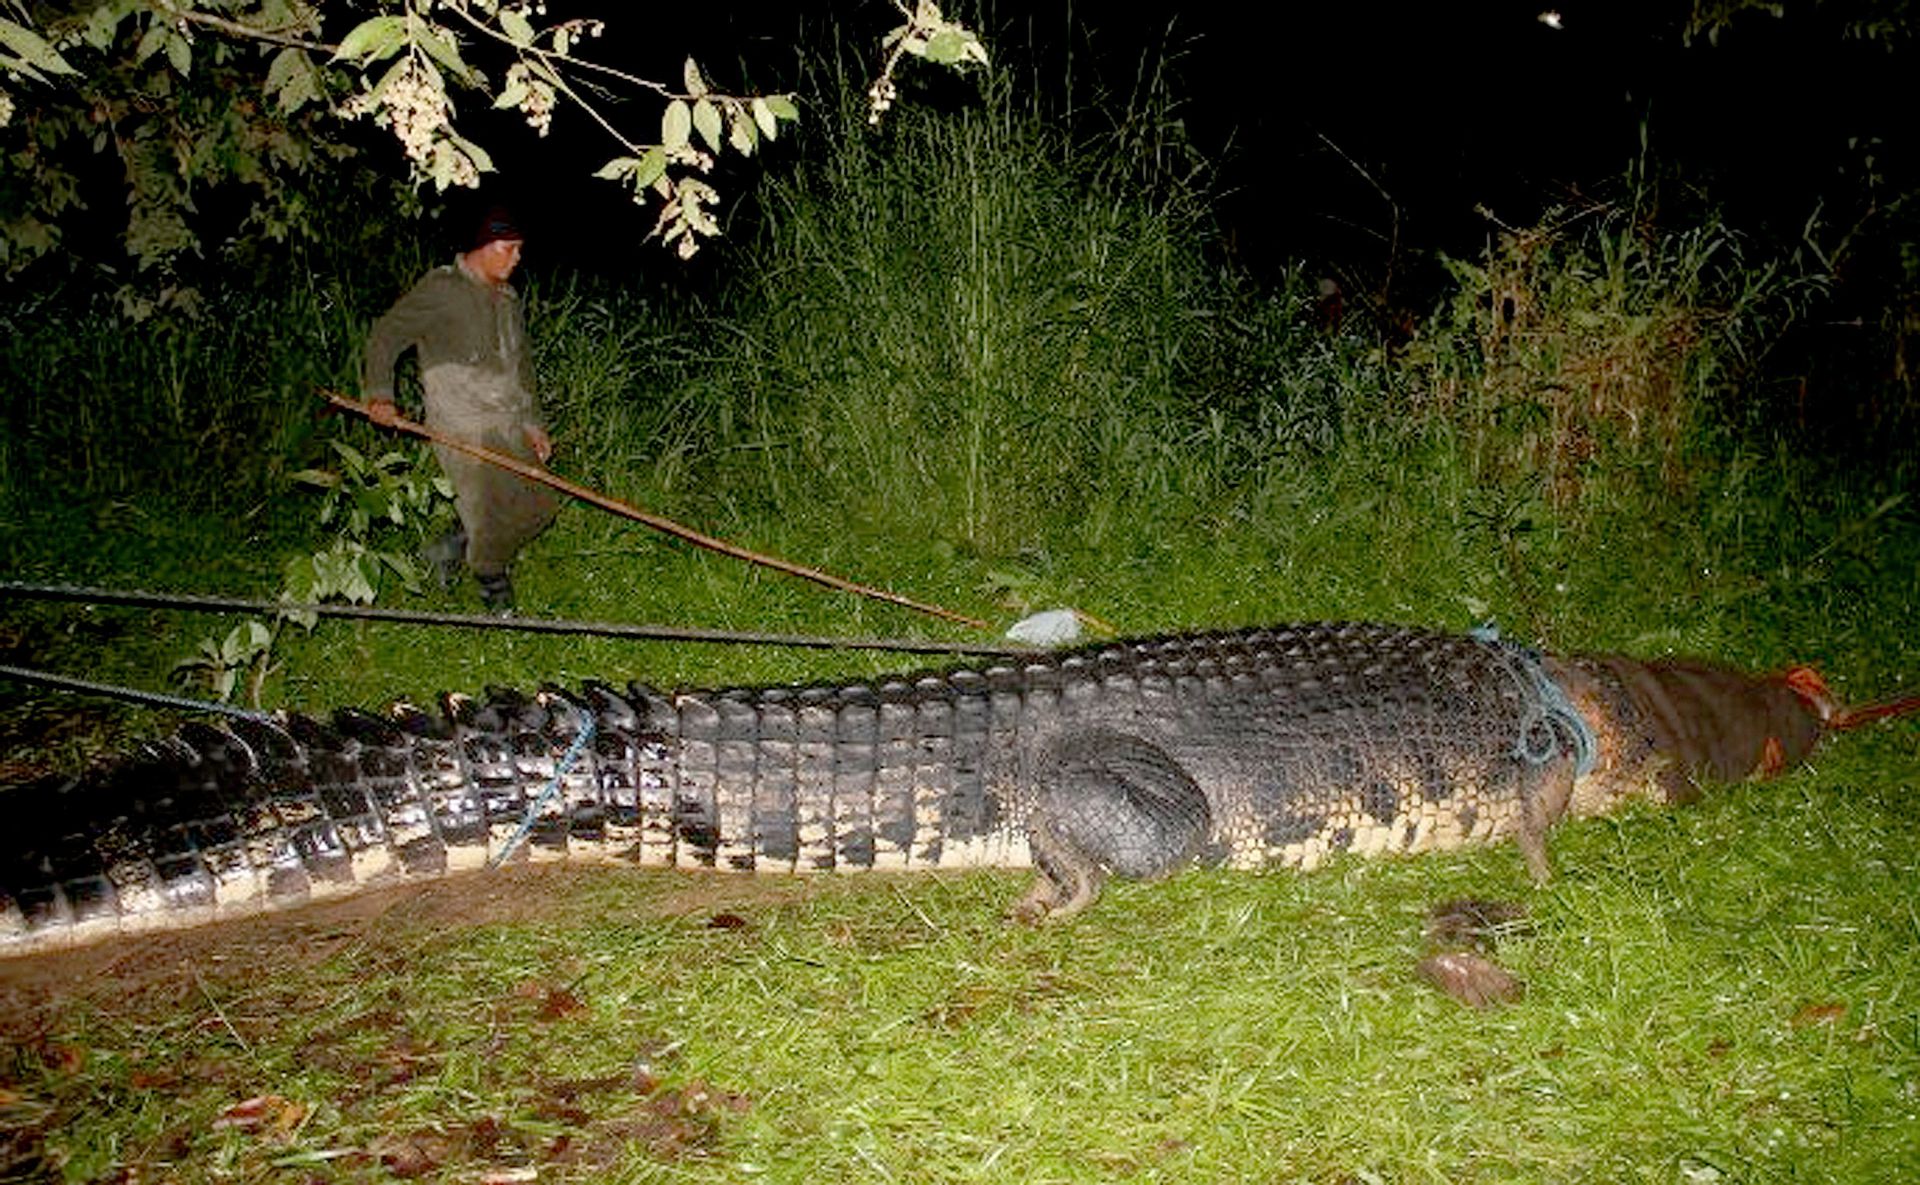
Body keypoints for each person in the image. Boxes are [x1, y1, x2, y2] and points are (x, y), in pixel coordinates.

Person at [361, 207, 559, 613]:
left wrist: (533, 423)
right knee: (488, 513)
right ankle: (493, 584)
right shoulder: (442, 288)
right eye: (510, 248)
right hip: (461, 422)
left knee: (539, 507)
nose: (517, 258)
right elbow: (385, 335)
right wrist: (380, 395)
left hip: (507, 421)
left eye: (520, 249)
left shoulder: (508, 298)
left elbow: (521, 367)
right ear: (484, 246)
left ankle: (451, 544)